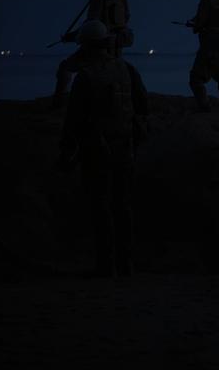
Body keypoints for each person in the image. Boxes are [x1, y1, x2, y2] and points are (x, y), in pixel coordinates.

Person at [56, 20, 149, 278]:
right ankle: (126, 264)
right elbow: (143, 105)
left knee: (101, 206)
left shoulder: (86, 76)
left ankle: (106, 266)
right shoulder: (127, 69)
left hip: (97, 151)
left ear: (85, 46)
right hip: (125, 149)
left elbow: (73, 119)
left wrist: (66, 151)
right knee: (123, 205)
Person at [53, 0, 133, 108]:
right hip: (116, 48)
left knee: (65, 68)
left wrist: (69, 37)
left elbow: (90, 25)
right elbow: (126, 17)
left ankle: (59, 103)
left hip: (98, 47)